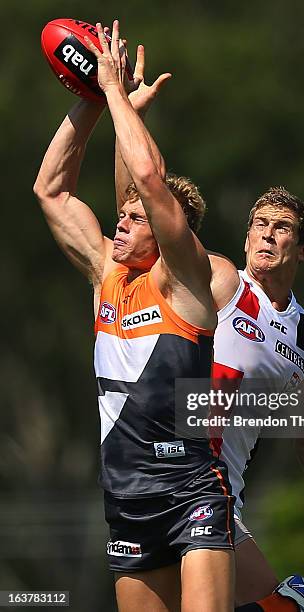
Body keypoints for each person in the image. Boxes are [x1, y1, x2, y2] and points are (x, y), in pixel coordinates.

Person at [112, 37, 304, 612]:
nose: (266, 235)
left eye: (281, 228)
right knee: (289, 605)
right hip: (178, 478)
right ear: (246, 235)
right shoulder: (220, 281)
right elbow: (140, 204)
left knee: (283, 605)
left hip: (221, 494)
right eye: (258, 224)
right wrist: (127, 109)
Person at [34, 20, 235, 612]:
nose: (119, 222)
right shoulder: (106, 276)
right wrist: (91, 100)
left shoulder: (190, 283)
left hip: (191, 490)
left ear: (170, 233)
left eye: (136, 217)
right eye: (119, 216)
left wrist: (117, 90)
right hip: (125, 498)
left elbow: (147, 178)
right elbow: (50, 192)